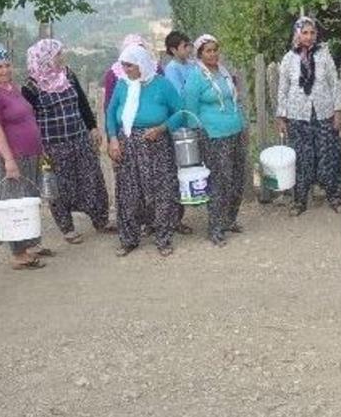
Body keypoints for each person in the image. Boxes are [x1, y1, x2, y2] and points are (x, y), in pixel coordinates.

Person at [23, 38, 111, 242]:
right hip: (51, 146)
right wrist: (38, 147)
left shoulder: (68, 75)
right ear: (45, 58)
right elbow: (29, 120)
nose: (62, 58)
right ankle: (67, 227)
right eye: (58, 55)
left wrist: (92, 127)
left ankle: (101, 220)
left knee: (92, 179)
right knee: (58, 188)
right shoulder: (31, 87)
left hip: (79, 139)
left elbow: (81, 102)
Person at [106, 44, 186, 256]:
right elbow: (111, 111)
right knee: (128, 193)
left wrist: (162, 128)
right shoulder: (123, 85)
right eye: (123, 65)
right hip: (127, 144)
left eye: (130, 66)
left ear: (142, 64)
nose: (126, 70)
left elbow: (181, 112)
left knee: (161, 191)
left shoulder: (162, 85)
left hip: (156, 144)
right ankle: (129, 239)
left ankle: (163, 238)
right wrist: (113, 139)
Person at [0, 44, 52, 270]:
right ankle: (19, 254)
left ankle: (29, 245)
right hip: (10, 157)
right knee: (14, 203)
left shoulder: (12, 88)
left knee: (27, 199)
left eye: (7, 65)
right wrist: (8, 160)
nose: (5, 70)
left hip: (29, 154)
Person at [275, 16, 341, 217]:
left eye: (312, 32)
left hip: (324, 112)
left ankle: (334, 196)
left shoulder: (324, 55)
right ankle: (299, 200)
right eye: (304, 32)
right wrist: (281, 116)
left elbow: (334, 82)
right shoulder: (289, 58)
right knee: (302, 158)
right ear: (297, 33)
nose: (308, 36)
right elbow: (283, 88)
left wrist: (338, 111)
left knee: (328, 155)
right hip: (298, 115)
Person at [183, 34, 248, 247]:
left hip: (234, 130)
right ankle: (216, 227)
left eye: (215, 50)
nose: (213, 54)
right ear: (200, 54)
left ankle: (229, 220)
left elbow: (234, 100)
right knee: (220, 181)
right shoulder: (196, 77)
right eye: (208, 51)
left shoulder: (223, 72)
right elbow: (190, 111)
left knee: (237, 177)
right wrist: (198, 135)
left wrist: (243, 124)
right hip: (213, 135)